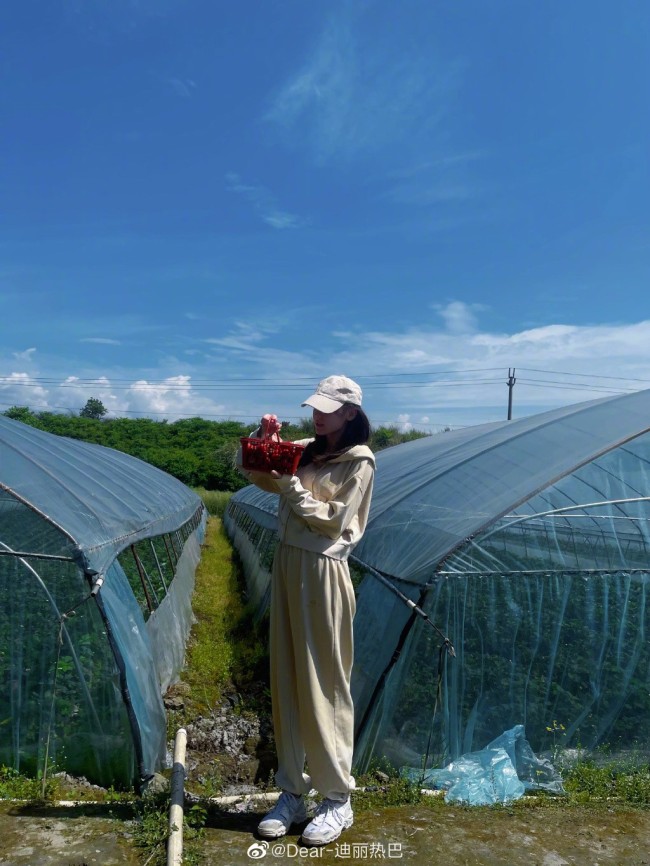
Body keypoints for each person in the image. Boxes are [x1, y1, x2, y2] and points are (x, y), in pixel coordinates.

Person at [239, 375, 375, 846]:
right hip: (288, 563)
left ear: (350, 414)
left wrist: (291, 486)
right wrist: (263, 444)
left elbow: (331, 520)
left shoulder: (359, 462)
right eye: (315, 407)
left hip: (322, 568)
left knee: (325, 682)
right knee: (289, 677)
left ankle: (337, 799)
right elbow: (258, 477)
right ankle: (292, 792)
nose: (317, 415)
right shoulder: (306, 449)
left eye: (328, 409)